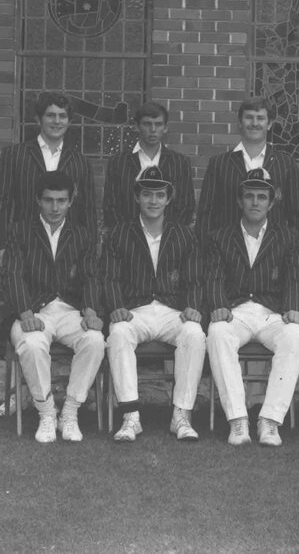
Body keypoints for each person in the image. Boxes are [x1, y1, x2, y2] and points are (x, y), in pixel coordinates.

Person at [101, 166, 206, 443]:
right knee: (119, 332)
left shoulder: (184, 235)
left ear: (168, 199)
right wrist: (116, 306)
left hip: (172, 311)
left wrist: (193, 305)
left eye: (159, 195)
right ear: (137, 196)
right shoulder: (119, 234)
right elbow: (109, 278)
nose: (153, 201)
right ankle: (130, 416)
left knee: (195, 333)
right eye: (147, 194)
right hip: (135, 310)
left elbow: (195, 279)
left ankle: (181, 416)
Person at [204, 168, 299, 446]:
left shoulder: (288, 236)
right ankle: (237, 420)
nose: (255, 202)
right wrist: (218, 306)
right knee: (217, 333)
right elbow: (212, 276)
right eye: (249, 196)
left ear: (271, 203)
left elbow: (296, 276)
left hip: (271, 312)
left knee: (296, 335)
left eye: (262, 197)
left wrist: (294, 307)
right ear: (239, 201)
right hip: (235, 311)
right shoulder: (220, 236)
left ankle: (270, 420)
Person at [4, 170, 105, 443]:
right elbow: (12, 274)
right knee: (33, 344)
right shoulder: (20, 231)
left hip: (70, 311)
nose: (55, 207)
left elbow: (90, 276)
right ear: (39, 200)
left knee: (95, 340)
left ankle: (70, 412)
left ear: (71, 201)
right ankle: (47, 413)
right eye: (49, 200)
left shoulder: (82, 235)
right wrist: (25, 313)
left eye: (61, 200)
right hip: (34, 310)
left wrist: (91, 310)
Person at [0, 91, 97, 265]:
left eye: (62, 116)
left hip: (68, 251)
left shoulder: (80, 162)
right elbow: (0, 204)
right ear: (38, 119)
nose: (57, 121)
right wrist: (0, 247)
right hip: (24, 249)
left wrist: (89, 252)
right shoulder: (14, 155)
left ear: (69, 121)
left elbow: (88, 210)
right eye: (51, 115)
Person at [196, 96, 299, 247]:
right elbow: (205, 215)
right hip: (227, 254)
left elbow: (297, 216)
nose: (254, 123)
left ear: (269, 124)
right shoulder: (219, 164)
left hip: (274, 254)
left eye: (260, 118)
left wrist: (293, 255)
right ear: (240, 123)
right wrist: (209, 255)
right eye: (249, 118)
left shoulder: (286, 164)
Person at [102, 101, 195, 231]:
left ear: (165, 127)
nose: (153, 130)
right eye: (147, 124)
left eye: (158, 124)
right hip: (127, 241)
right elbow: (110, 207)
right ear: (137, 127)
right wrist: (125, 237)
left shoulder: (180, 162)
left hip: (168, 242)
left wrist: (167, 237)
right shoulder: (118, 163)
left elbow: (186, 207)